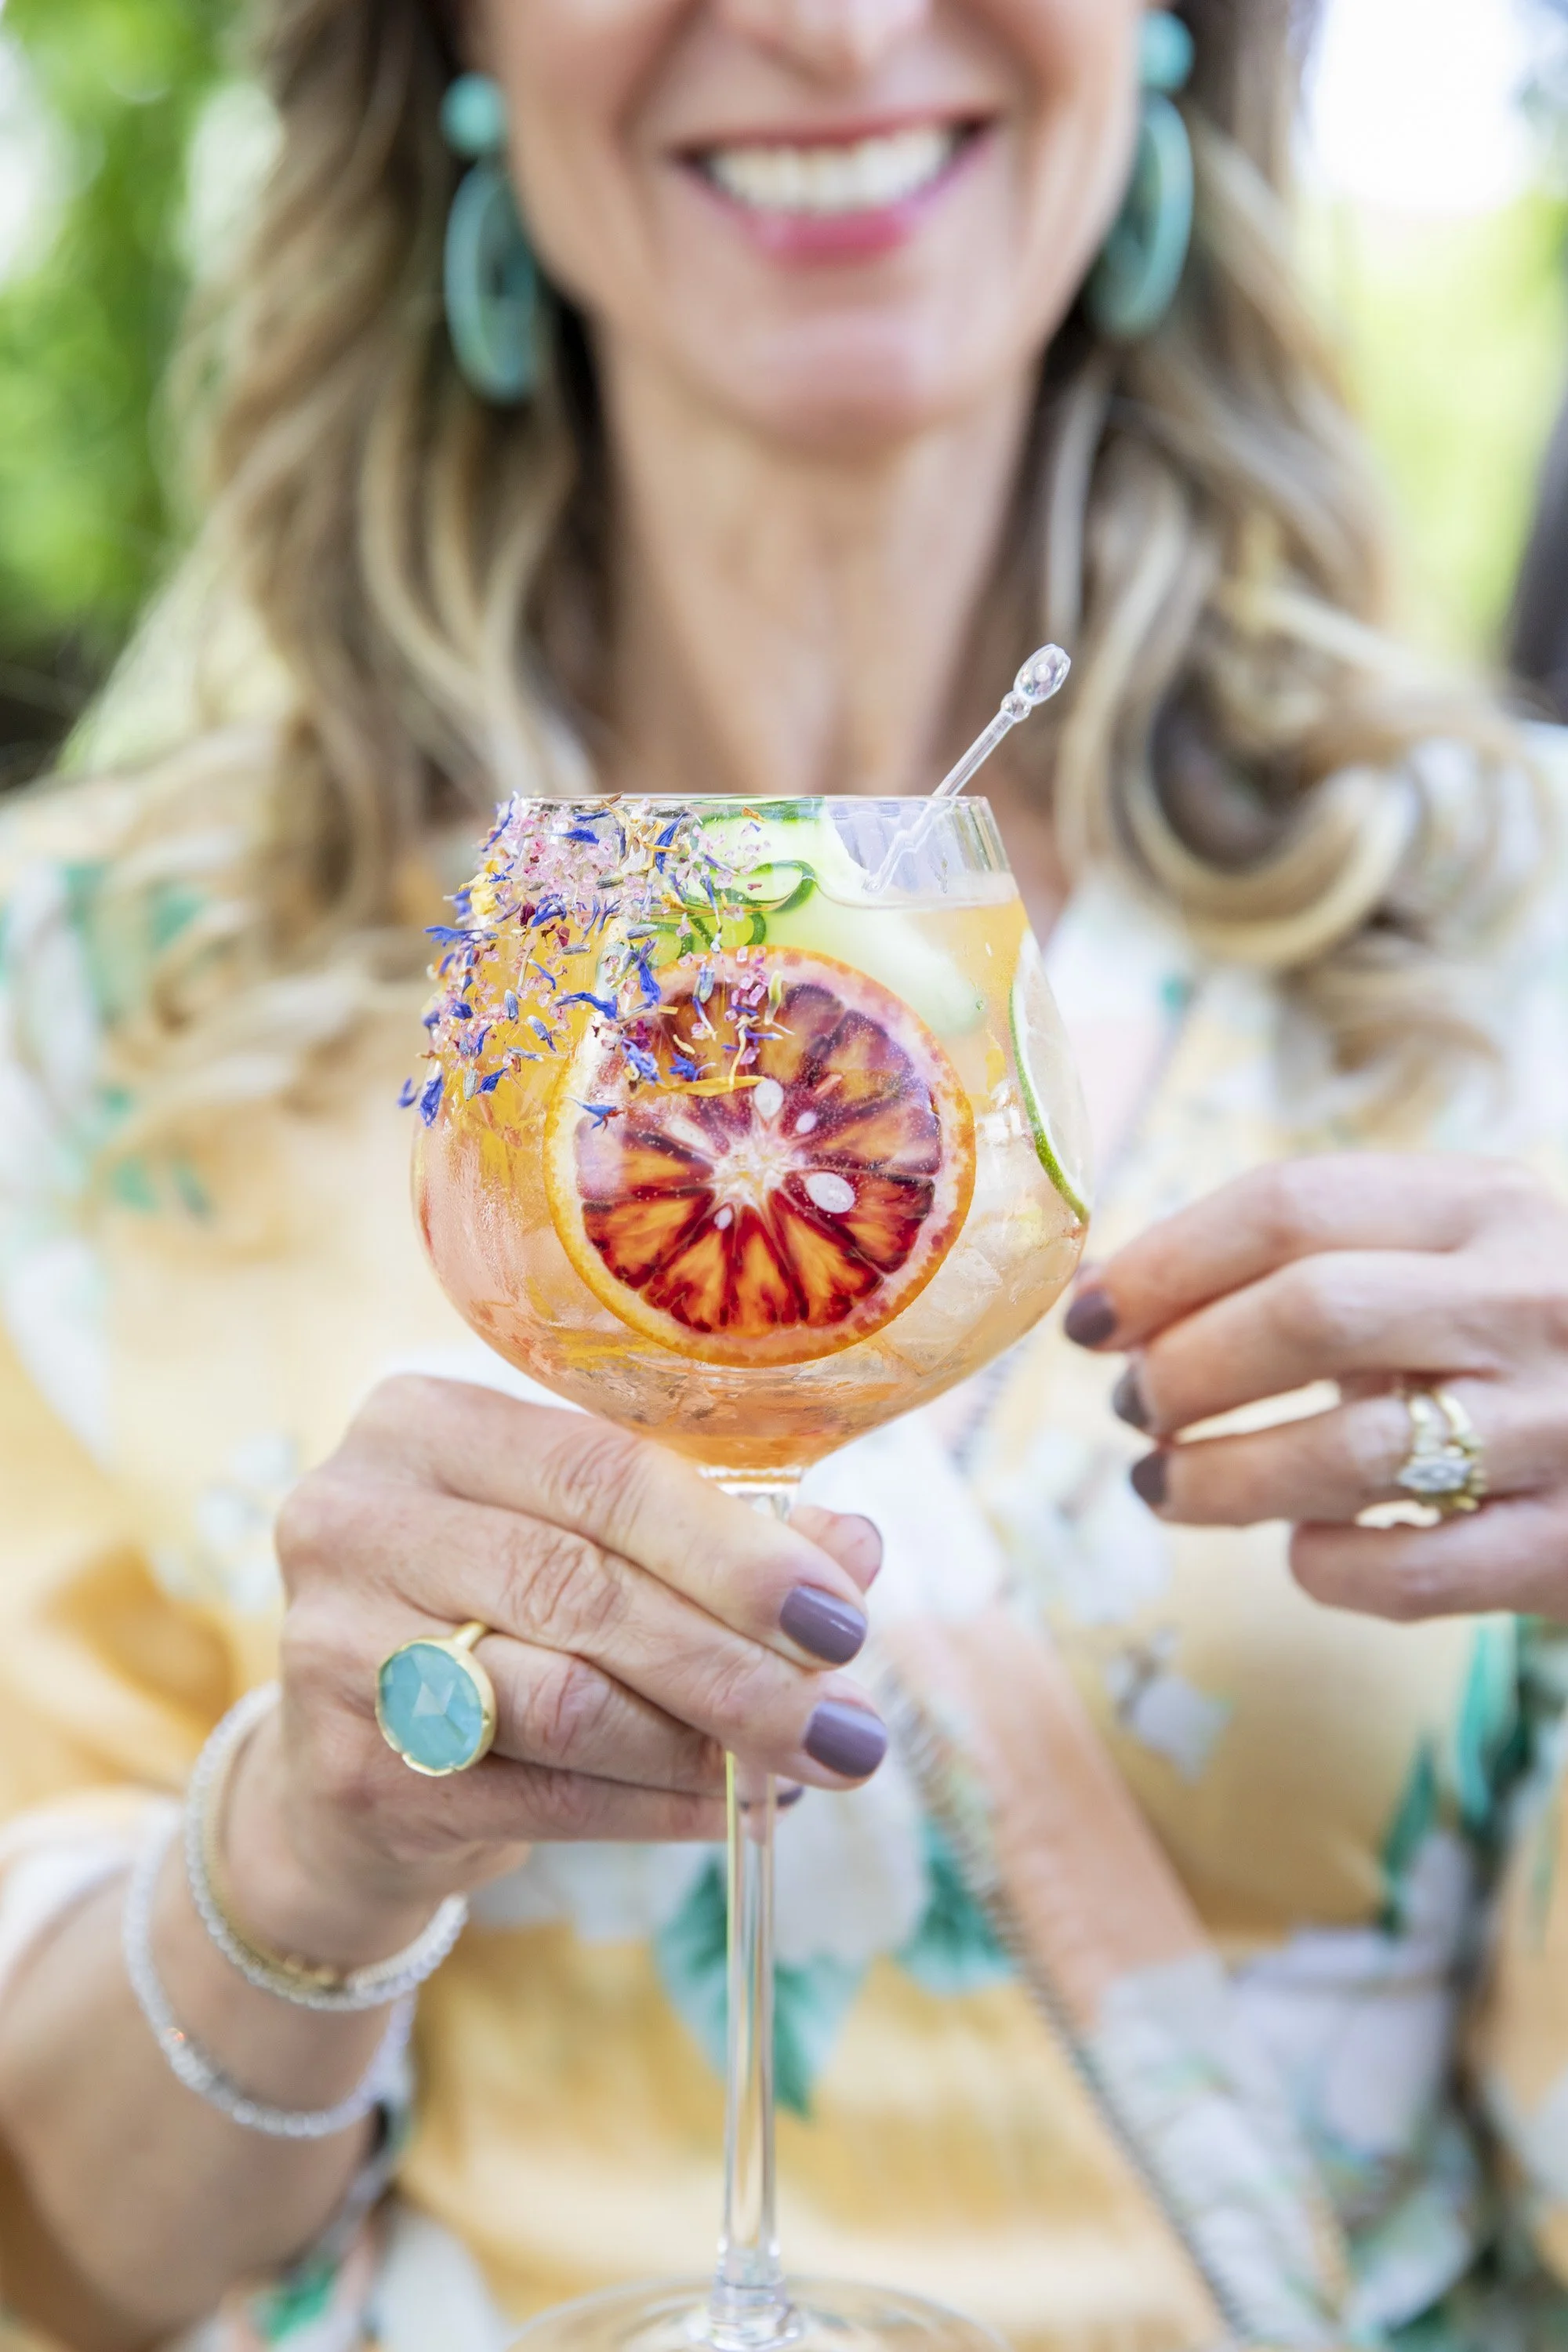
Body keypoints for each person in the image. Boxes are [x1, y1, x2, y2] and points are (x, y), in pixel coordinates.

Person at [2, 1, 1568, 2347]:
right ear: (450, 48)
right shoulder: (89, 997)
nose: (833, 26)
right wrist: (299, 1845)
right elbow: (66, 2238)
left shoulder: (1523, 942)